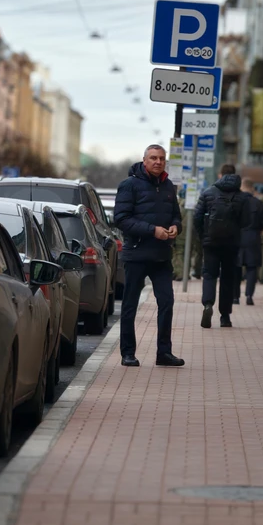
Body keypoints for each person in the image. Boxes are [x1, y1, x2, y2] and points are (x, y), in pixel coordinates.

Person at [113, 144, 185, 368]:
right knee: (130, 305)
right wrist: (152, 230)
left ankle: (164, 352)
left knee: (167, 302)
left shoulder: (168, 186)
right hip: (136, 254)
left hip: (162, 256)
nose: (158, 162)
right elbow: (121, 219)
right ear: (144, 161)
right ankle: (128, 353)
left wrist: (175, 226)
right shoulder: (129, 185)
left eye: (161, 158)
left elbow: (176, 215)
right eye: (153, 158)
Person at [193, 164, 248, 329]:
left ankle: (208, 304)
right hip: (232, 244)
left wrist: (203, 236)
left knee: (209, 274)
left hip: (211, 242)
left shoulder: (208, 192)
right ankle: (225, 317)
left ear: (220, 175)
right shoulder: (242, 197)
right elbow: (247, 221)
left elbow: (197, 217)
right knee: (228, 278)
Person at [234, 178, 263, 305]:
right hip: (253, 237)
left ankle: (235, 297)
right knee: (252, 267)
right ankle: (249, 296)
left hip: (237, 237)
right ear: (252, 188)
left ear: (241, 187)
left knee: (236, 267)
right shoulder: (258, 203)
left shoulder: (236, 202)